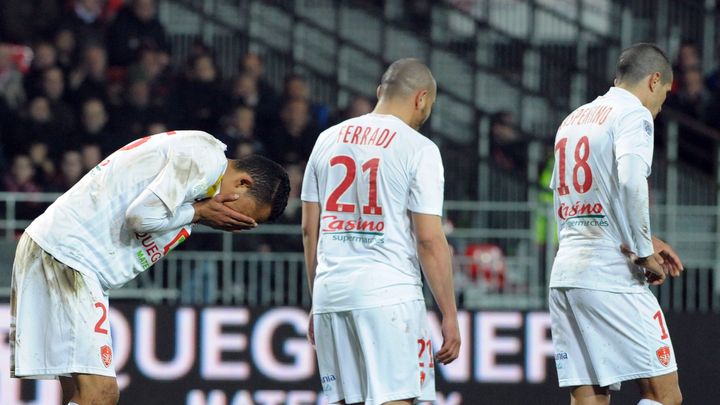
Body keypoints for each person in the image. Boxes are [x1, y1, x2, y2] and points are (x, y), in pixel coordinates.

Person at [10, 130, 290, 405]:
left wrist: (198, 212)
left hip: (61, 253)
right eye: (242, 216)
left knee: (77, 393)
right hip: (69, 257)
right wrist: (198, 213)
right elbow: (140, 217)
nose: (233, 223)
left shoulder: (200, 176)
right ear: (243, 183)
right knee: (101, 394)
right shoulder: (205, 159)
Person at [301, 58, 460, 405]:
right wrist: (449, 313)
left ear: (379, 93)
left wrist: (317, 298)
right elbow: (430, 240)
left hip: (330, 294)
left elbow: (309, 230)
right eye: (429, 106)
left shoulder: (327, 140)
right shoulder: (419, 149)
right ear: (421, 99)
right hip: (389, 297)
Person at [548, 43, 685, 405]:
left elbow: (577, 203)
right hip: (611, 276)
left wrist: (647, 238)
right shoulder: (633, 114)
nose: (661, 106)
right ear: (655, 81)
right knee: (665, 396)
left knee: (589, 399)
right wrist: (642, 252)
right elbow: (628, 181)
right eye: (666, 94)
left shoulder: (573, 120)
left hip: (566, 276)